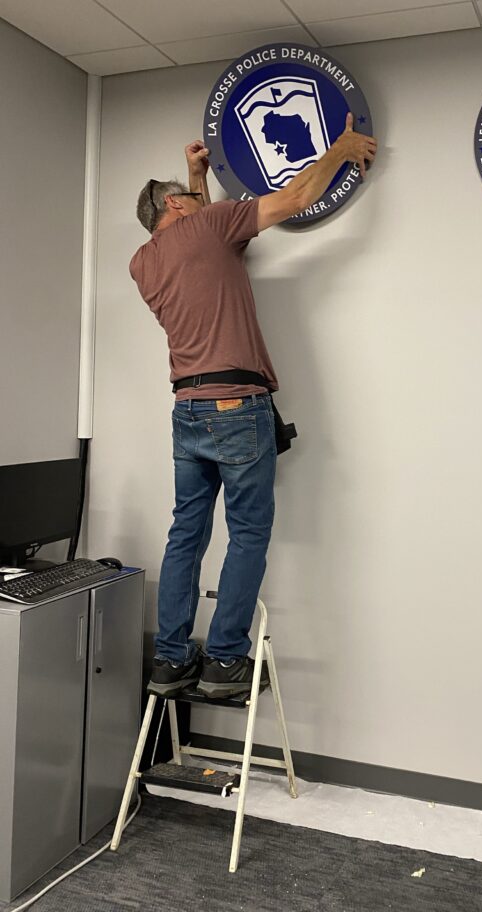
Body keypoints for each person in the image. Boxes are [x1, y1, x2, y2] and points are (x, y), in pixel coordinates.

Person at [130, 114, 377, 697]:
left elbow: (204, 244)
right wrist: (340, 148)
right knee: (246, 533)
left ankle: (169, 660)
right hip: (237, 408)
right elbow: (293, 197)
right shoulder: (210, 224)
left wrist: (196, 176)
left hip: (187, 410)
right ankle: (224, 662)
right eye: (189, 197)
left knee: (185, 534)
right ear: (181, 208)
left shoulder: (144, 262)